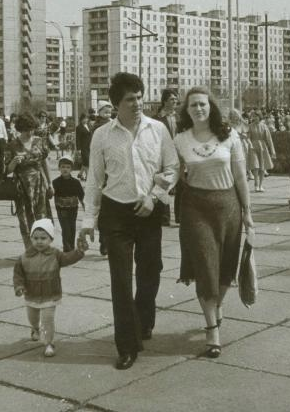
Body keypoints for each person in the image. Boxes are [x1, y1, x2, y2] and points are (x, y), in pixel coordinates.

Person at [78, 72, 178, 371]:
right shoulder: (102, 135)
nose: (137, 104)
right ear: (116, 104)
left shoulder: (157, 129)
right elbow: (94, 179)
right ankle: (126, 345)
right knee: (120, 280)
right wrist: (88, 220)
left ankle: (143, 321)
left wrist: (154, 197)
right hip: (115, 214)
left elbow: (172, 167)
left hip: (148, 212)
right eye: (130, 99)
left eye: (139, 97)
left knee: (151, 271)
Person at [174, 87, 254, 358]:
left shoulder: (229, 135)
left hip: (228, 207)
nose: (198, 109)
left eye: (203, 104)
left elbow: (240, 176)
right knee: (205, 267)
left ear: (211, 107)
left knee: (225, 269)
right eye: (193, 105)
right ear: (186, 110)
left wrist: (247, 213)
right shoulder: (180, 140)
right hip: (195, 209)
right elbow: (173, 173)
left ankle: (216, 306)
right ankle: (212, 329)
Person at [14, 219, 88, 358]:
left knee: (47, 319)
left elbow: (68, 258)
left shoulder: (56, 254)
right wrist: (19, 286)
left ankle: (49, 343)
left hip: (50, 294)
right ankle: (35, 328)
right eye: (35, 238)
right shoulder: (24, 257)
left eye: (43, 238)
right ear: (31, 238)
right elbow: (18, 274)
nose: (39, 241)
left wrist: (79, 252)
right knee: (32, 317)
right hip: (32, 294)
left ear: (51, 239)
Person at [5, 112, 55, 249]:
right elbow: (7, 170)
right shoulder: (12, 145)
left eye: (32, 129)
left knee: (41, 216)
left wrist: (50, 183)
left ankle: (43, 247)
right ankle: (29, 248)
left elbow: (44, 163)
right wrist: (14, 162)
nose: (30, 132)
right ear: (20, 129)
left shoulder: (39, 141)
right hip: (21, 186)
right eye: (27, 130)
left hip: (39, 184)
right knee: (24, 219)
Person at [155, 89, 180, 226]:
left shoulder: (179, 117)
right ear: (164, 101)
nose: (175, 101)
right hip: (163, 155)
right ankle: (164, 217)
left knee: (181, 185)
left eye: (176, 99)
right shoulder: (157, 118)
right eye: (172, 99)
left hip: (179, 154)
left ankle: (179, 217)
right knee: (164, 184)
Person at [53, 156, 85, 252]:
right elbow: (51, 194)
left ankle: (71, 246)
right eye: (63, 167)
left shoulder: (76, 183)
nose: (65, 169)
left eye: (68, 167)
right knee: (65, 229)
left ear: (71, 169)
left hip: (73, 209)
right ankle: (67, 249)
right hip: (61, 210)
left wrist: (85, 207)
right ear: (59, 168)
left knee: (72, 228)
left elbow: (81, 196)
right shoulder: (55, 182)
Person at [247, 110, 276, 193]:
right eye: (254, 116)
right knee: (255, 166)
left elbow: (269, 139)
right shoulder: (250, 126)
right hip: (253, 147)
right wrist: (250, 144)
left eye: (256, 116)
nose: (255, 118)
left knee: (262, 167)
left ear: (260, 117)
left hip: (262, 147)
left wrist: (272, 151)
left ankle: (260, 185)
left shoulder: (264, 126)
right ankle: (256, 185)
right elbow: (248, 137)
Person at [75, 113, 92, 181]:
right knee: (87, 161)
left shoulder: (88, 125)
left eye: (86, 118)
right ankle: (88, 177)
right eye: (84, 119)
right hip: (83, 147)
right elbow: (77, 138)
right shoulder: (79, 127)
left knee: (85, 162)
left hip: (89, 146)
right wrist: (78, 149)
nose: (86, 120)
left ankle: (80, 174)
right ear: (81, 119)